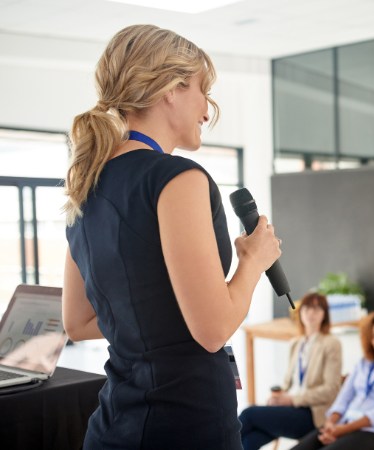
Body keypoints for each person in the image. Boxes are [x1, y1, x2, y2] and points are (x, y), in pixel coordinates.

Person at [61, 25, 281, 449]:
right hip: (186, 425)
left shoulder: (86, 184)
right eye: (203, 91)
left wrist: (152, 320)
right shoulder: (177, 178)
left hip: (113, 428)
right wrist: (254, 259)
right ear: (171, 89)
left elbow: (79, 322)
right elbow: (213, 329)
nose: (207, 109)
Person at [291, 307, 374, 450]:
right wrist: (331, 424)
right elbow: (344, 397)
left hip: (372, 433)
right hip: (342, 424)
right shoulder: (363, 364)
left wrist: (343, 430)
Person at [239, 293, 343, 450]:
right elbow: (290, 384)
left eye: (317, 309)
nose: (311, 313)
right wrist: (278, 398)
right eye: (307, 308)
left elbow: (331, 390)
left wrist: (292, 399)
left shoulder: (331, 343)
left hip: (312, 414)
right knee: (250, 440)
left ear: (325, 315)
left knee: (248, 415)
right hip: (290, 409)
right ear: (300, 313)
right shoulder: (297, 343)